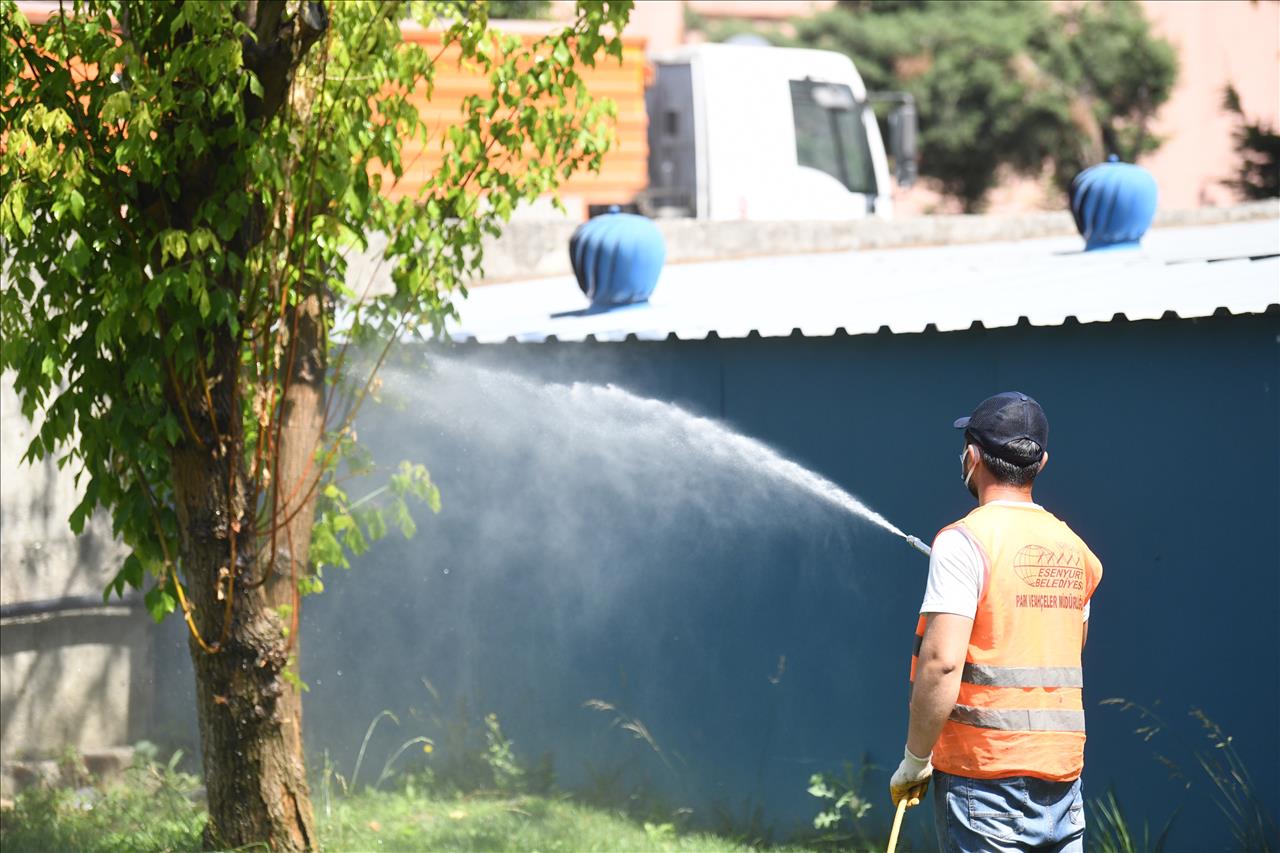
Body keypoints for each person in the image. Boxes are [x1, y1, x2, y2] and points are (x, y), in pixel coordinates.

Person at [889, 392, 1103, 852]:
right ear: (1041, 462)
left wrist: (915, 759)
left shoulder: (963, 542)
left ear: (971, 456)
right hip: (1063, 784)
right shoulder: (1076, 549)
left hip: (983, 782)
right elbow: (1059, 646)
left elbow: (942, 664)